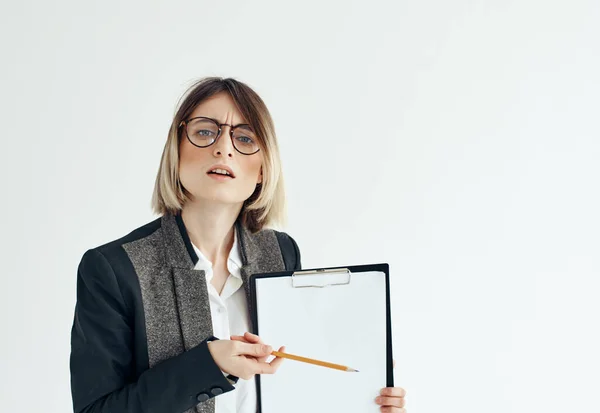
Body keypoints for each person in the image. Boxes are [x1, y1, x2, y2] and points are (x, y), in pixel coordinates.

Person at [69, 76, 407, 413]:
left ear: (262, 169)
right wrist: (209, 364)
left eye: (244, 137)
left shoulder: (281, 253)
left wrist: (364, 404)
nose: (223, 148)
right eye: (205, 131)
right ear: (176, 150)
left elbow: (292, 389)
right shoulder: (113, 268)